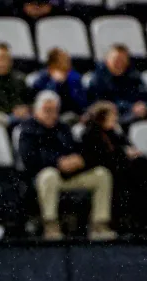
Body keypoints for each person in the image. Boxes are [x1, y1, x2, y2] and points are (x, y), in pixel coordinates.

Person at [18, 91, 116, 240]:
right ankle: (50, 225)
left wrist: (79, 160)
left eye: (55, 110)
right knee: (48, 175)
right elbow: (29, 159)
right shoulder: (27, 130)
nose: (52, 114)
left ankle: (99, 224)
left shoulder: (63, 128)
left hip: (70, 176)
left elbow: (76, 149)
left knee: (102, 174)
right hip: (44, 178)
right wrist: (57, 163)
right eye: (47, 110)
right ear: (36, 111)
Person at [80, 101, 147, 232]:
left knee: (142, 164)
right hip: (104, 168)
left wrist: (130, 152)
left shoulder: (114, 131)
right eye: (112, 115)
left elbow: (126, 145)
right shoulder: (90, 133)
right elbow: (98, 157)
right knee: (139, 171)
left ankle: (143, 219)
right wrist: (124, 153)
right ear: (102, 117)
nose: (116, 118)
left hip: (120, 166)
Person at [88, 44, 147, 126]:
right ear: (107, 60)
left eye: (123, 60)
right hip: (112, 119)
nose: (119, 63)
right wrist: (131, 107)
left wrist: (144, 106)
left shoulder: (133, 75)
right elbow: (101, 104)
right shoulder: (98, 80)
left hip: (137, 115)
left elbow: (145, 95)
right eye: (116, 60)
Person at [32, 48, 88, 121]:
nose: (67, 63)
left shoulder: (74, 77)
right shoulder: (42, 78)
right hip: (51, 116)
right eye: (63, 60)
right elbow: (45, 99)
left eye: (67, 60)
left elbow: (81, 102)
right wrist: (56, 83)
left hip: (73, 114)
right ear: (52, 63)